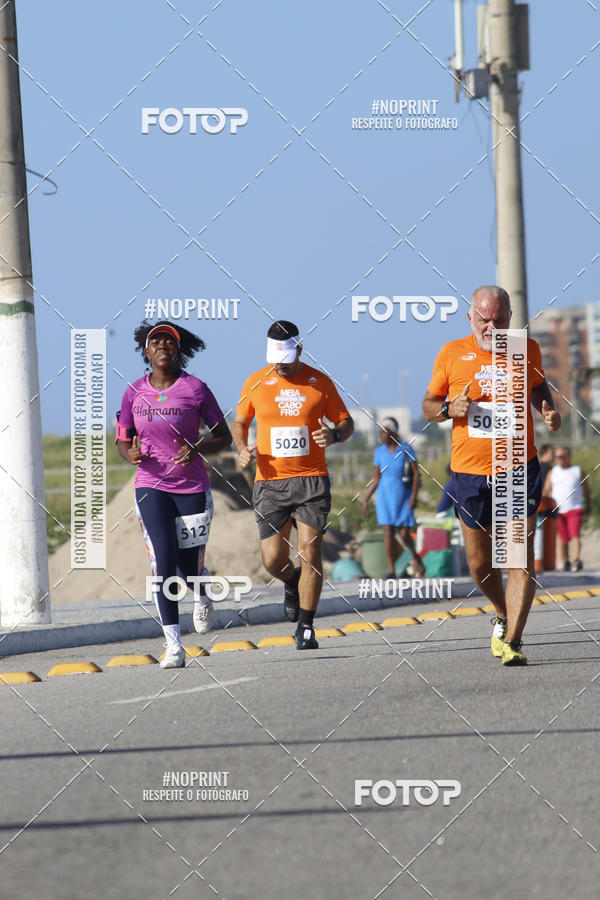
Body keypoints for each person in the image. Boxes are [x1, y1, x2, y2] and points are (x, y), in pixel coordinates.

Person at [422, 285, 561, 666]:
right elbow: (428, 406)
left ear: (510, 319)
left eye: (499, 319)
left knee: (518, 560)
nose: (491, 325)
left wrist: (548, 408)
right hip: (468, 475)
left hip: (518, 467)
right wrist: (451, 408)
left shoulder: (526, 350)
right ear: (471, 318)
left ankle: (514, 641)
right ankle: (502, 611)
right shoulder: (451, 353)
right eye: (483, 318)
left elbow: (538, 388)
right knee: (481, 566)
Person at [231, 320, 354, 650]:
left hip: (312, 480)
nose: (280, 365)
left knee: (310, 553)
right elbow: (240, 421)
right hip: (270, 482)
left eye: (285, 358)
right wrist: (242, 448)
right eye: (275, 358)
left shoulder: (319, 382)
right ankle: (291, 581)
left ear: (299, 349)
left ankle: (306, 626)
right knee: (272, 560)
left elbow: (346, 422)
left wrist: (336, 434)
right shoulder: (257, 381)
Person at [116, 321, 231, 668]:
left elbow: (223, 436)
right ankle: (174, 645)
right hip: (150, 484)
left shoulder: (195, 389)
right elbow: (122, 439)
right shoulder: (134, 392)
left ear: (178, 351)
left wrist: (197, 447)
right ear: (147, 351)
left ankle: (202, 591)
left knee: (187, 565)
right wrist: (129, 453)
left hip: (192, 487)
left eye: (170, 341)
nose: (163, 344)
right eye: (156, 341)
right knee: (162, 561)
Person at [362, 418, 425, 577]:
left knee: (404, 533)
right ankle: (392, 571)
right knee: (388, 533)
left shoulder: (405, 449)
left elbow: (416, 474)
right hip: (384, 497)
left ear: (392, 432)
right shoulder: (379, 452)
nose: (380, 435)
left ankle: (416, 557)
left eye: (383, 432)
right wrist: (366, 498)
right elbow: (376, 478)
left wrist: (414, 496)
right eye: (379, 432)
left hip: (403, 495)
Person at [543, 446, 591, 571]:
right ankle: (565, 561)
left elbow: (586, 489)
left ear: (567, 457)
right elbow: (546, 491)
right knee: (562, 537)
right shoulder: (552, 472)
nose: (557, 459)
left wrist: (589, 505)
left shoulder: (577, 470)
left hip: (575, 508)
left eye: (560, 457)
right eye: (556, 457)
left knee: (575, 533)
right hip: (558, 510)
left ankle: (577, 559)